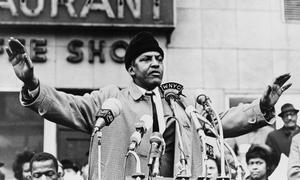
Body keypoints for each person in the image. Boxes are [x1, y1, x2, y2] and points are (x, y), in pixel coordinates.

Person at [6, 32, 292, 179]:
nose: (155, 63)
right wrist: (32, 84)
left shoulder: (181, 102)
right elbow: (67, 105)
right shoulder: (111, 101)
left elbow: (219, 122)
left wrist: (262, 106)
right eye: (146, 59)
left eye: (159, 58)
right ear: (131, 69)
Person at [265, 103, 300, 168]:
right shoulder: (273, 136)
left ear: (296, 116)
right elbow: (269, 159)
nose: (289, 118)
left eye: (292, 114)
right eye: (286, 115)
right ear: (282, 118)